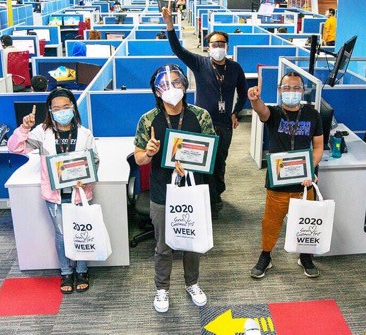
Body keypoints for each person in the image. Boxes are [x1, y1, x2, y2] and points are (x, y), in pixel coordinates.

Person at [133, 64, 214, 313]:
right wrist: (148, 152)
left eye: (177, 83)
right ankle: (162, 288)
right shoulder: (148, 120)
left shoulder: (201, 116)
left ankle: (192, 283)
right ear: (157, 92)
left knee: (192, 241)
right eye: (165, 85)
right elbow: (138, 159)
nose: (172, 88)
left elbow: (210, 152)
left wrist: (190, 163)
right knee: (163, 245)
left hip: (193, 187)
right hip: (162, 191)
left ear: (185, 86)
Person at [7, 88, 99, 294]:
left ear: (74, 107)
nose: (62, 111)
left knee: (81, 232)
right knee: (61, 235)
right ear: (50, 110)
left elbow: (94, 160)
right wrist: (23, 128)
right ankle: (66, 271)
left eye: (66, 107)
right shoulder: (42, 133)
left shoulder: (85, 133)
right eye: (56, 108)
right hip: (55, 195)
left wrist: (84, 179)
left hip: (79, 192)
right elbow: (15, 148)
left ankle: (82, 270)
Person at [162, 6, 248, 219]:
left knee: (219, 163)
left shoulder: (235, 68)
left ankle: (216, 198)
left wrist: (236, 112)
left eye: (221, 44)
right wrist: (170, 25)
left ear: (226, 46)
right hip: (201, 123)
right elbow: (178, 50)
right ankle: (201, 197)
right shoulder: (200, 63)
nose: (217, 47)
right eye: (214, 44)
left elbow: (243, 93)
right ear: (208, 47)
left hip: (224, 125)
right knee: (201, 163)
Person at [247, 72, 324, 279]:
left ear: (303, 91)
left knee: (307, 222)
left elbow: (318, 147)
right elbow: (261, 111)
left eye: (296, 88)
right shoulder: (274, 114)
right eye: (287, 88)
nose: (292, 92)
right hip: (278, 182)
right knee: (271, 222)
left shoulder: (312, 114)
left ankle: (306, 255)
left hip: (304, 181)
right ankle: (266, 255)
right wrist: (255, 100)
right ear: (280, 91)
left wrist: (311, 169)